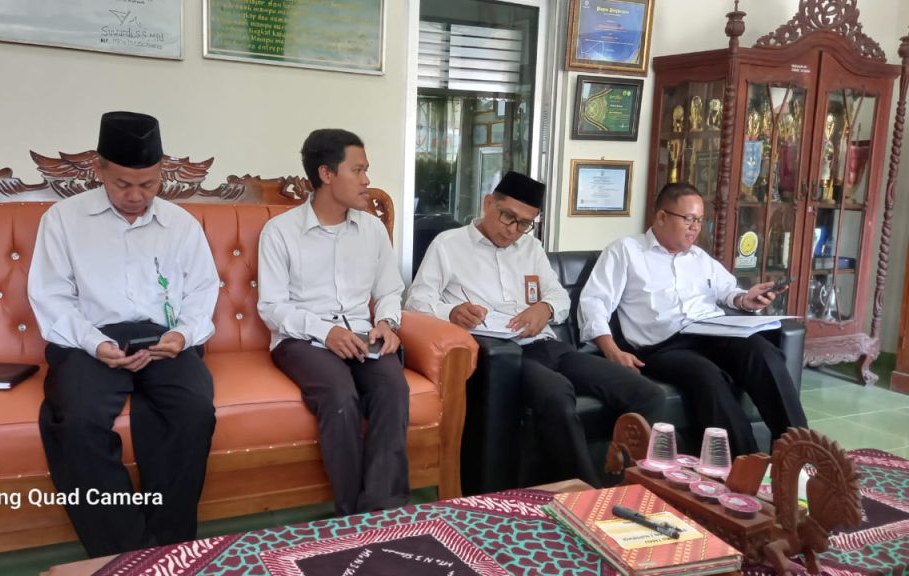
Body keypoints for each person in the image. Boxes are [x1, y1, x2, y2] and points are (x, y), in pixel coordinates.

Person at [28, 111, 219, 557]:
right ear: (99, 170)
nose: (136, 196)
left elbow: (203, 292)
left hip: (165, 341)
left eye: (148, 184)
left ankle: (168, 546)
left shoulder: (182, 225)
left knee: (193, 411)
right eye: (122, 184)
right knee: (76, 420)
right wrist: (95, 343)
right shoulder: (63, 220)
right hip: (89, 341)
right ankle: (125, 552)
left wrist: (183, 336)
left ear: (162, 172)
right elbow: (51, 298)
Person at [406, 171, 665, 487]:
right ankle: (583, 493)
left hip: (547, 346)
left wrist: (545, 308)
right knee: (556, 394)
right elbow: (416, 303)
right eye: (508, 217)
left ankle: (625, 482)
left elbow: (559, 296)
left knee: (647, 393)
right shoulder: (448, 245)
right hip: (503, 356)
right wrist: (452, 312)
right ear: (488, 204)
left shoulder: (530, 247)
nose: (513, 230)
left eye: (524, 223)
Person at [578, 182, 808, 457]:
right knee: (706, 376)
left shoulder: (699, 258)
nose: (695, 228)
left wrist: (745, 300)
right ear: (662, 216)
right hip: (662, 346)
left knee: (763, 352)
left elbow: (727, 291)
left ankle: (799, 454)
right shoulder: (626, 251)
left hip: (712, 331)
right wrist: (612, 351)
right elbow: (594, 302)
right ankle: (745, 464)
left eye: (699, 220)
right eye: (688, 219)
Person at [257, 128, 408, 516]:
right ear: (326, 174)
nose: (366, 180)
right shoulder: (280, 232)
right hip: (301, 340)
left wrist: (387, 322)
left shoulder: (372, 229)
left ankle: (384, 511)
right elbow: (271, 307)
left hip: (362, 334)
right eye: (357, 170)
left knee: (392, 387)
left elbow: (390, 289)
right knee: (340, 397)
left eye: (366, 170)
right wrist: (326, 331)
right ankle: (351, 516)